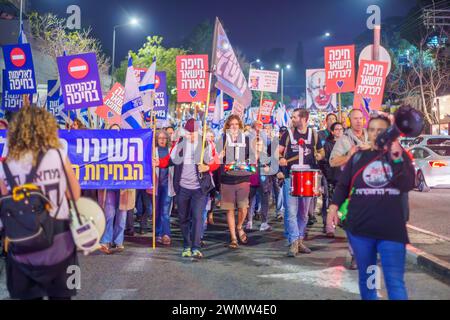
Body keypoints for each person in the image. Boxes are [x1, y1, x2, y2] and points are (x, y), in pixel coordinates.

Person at [327, 114, 415, 300]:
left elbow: (408, 183)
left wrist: (396, 154)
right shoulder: (359, 157)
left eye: (381, 130)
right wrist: (333, 208)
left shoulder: (398, 156)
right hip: (361, 229)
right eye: (372, 129)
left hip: (391, 230)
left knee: (394, 281)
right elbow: (343, 185)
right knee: (368, 279)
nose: (376, 133)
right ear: (368, 133)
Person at [0, 104, 81, 300]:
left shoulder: (5, 164)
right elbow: (75, 194)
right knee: (62, 296)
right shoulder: (58, 155)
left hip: (21, 242)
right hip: (59, 239)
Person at [163, 119, 219, 259]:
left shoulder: (207, 143)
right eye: (189, 133)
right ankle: (186, 246)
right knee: (183, 218)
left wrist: (207, 167)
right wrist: (159, 163)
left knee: (198, 217)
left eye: (194, 133)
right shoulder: (180, 144)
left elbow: (216, 161)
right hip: (182, 188)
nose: (192, 136)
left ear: (199, 131)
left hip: (200, 188)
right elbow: (169, 159)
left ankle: (195, 247)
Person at [279, 109, 324, 256]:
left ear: (304, 118)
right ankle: (293, 242)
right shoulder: (288, 134)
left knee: (303, 214)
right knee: (291, 211)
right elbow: (277, 152)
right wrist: (281, 158)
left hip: (308, 177)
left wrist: (319, 155)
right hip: (290, 176)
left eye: (295, 117)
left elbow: (322, 152)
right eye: (292, 117)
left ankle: (299, 240)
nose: (292, 119)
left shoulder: (314, 134)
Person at [329, 108, 370, 269]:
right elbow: (333, 161)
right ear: (349, 121)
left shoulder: (372, 136)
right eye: (355, 119)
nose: (359, 121)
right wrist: (350, 155)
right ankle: (355, 255)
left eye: (361, 118)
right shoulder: (344, 140)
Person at [98, 124, 136, 254]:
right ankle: (106, 240)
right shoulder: (103, 147)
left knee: (122, 214)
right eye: (112, 132)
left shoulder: (128, 147)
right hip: (108, 184)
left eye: (117, 132)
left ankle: (118, 241)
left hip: (124, 186)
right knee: (109, 213)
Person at [218, 115, 252, 249]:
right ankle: (233, 237)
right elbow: (217, 158)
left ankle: (239, 227)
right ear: (227, 126)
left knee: (243, 208)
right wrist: (219, 156)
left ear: (240, 126)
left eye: (236, 124)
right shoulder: (223, 139)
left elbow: (252, 156)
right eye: (231, 124)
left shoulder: (247, 140)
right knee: (230, 209)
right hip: (227, 178)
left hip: (243, 178)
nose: (234, 127)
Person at [246, 121, 272, 232]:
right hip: (252, 172)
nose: (259, 128)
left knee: (264, 198)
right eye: (257, 126)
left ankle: (263, 222)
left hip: (263, 173)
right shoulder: (248, 138)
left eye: (261, 126)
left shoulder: (265, 140)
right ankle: (249, 221)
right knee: (250, 198)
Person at [316, 113, 338, 231]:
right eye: (329, 119)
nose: (331, 121)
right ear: (326, 121)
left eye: (333, 119)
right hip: (324, 169)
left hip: (337, 170)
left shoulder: (340, 135)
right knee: (326, 196)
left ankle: (335, 219)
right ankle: (326, 222)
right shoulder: (320, 135)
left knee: (336, 196)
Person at [153, 130, 175, 245]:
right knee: (157, 210)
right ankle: (158, 233)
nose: (162, 140)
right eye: (160, 138)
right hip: (156, 185)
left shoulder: (171, 151)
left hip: (167, 185)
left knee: (165, 210)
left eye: (164, 138)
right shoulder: (153, 151)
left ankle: (166, 234)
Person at [323, 122, 344, 237]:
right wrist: (328, 175)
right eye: (336, 129)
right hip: (332, 177)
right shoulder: (328, 145)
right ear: (332, 132)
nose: (339, 131)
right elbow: (324, 162)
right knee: (331, 203)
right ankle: (329, 227)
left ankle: (343, 222)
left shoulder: (348, 144)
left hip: (345, 178)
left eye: (341, 129)